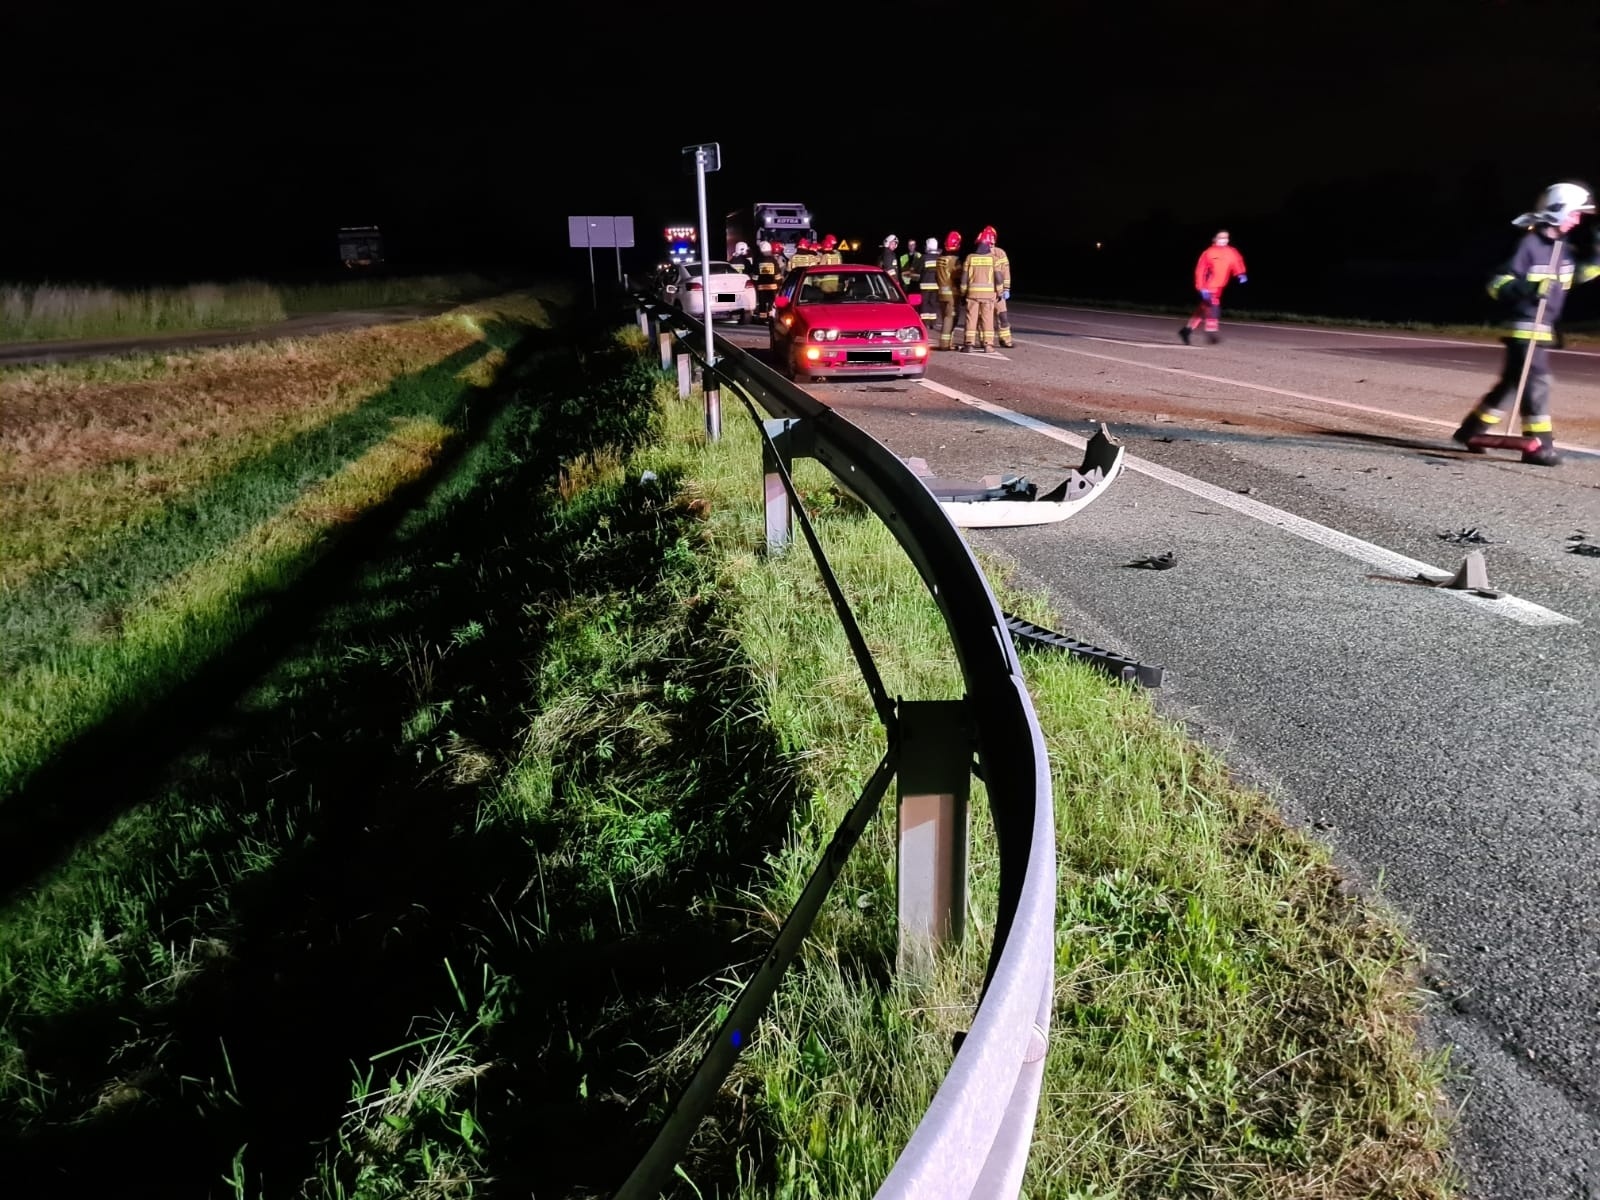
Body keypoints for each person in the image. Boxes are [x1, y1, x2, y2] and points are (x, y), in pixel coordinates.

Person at [1452, 182, 1599, 466]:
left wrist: (1598, 256)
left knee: (1510, 386)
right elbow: (1497, 284)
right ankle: (1539, 446)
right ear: (1558, 211)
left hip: (1542, 329)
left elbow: (1574, 277)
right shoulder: (1528, 244)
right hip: (1523, 328)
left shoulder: (1562, 249)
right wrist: (1530, 289)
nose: (1578, 219)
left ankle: (1472, 430)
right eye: (1575, 213)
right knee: (1537, 383)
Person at [1179, 230, 1248, 344]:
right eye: (1221, 237)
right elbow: (1200, 271)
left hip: (1220, 286)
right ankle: (1211, 333)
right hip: (1208, 286)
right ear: (1215, 239)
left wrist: (1241, 274)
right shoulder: (1208, 253)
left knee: (1202, 310)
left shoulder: (1232, 252)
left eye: (1226, 237)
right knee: (1213, 306)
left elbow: (1237, 263)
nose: (1224, 239)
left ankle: (1186, 330)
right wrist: (1201, 287)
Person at [959, 228, 1000, 352]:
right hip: (988, 296)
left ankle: (969, 344)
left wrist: (962, 292)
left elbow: (964, 278)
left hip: (972, 295)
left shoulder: (970, 258)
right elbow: (998, 278)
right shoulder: (994, 259)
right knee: (987, 320)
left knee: (971, 319)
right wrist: (1000, 292)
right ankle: (988, 345)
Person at [983, 226, 1014, 349]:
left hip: (999, 293)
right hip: (986, 292)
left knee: (1003, 316)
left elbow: (1006, 272)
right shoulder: (980, 253)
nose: (990, 244)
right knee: (985, 319)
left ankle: (1005, 340)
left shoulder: (1000, 253)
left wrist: (1006, 289)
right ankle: (984, 341)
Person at [935, 231, 964, 349]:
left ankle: (947, 342)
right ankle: (945, 344)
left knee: (945, 317)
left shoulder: (939, 259)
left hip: (941, 293)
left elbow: (937, 277)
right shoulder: (954, 260)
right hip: (952, 295)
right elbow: (959, 277)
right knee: (950, 318)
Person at [754, 240, 783, 318]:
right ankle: (770, 317)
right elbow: (778, 274)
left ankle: (762, 318)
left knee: (762, 303)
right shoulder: (774, 261)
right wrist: (779, 284)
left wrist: (754, 283)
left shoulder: (758, 261)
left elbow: (755, 275)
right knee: (771, 302)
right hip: (772, 287)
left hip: (761, 287)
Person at [918, 237, 941, 328]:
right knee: (933, 303)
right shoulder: (939, 258)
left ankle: (925, 323)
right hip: (936, 285)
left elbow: (919, 270)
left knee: (925, 303)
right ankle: (933, 323)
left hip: (925, 285)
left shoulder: (924, 258)